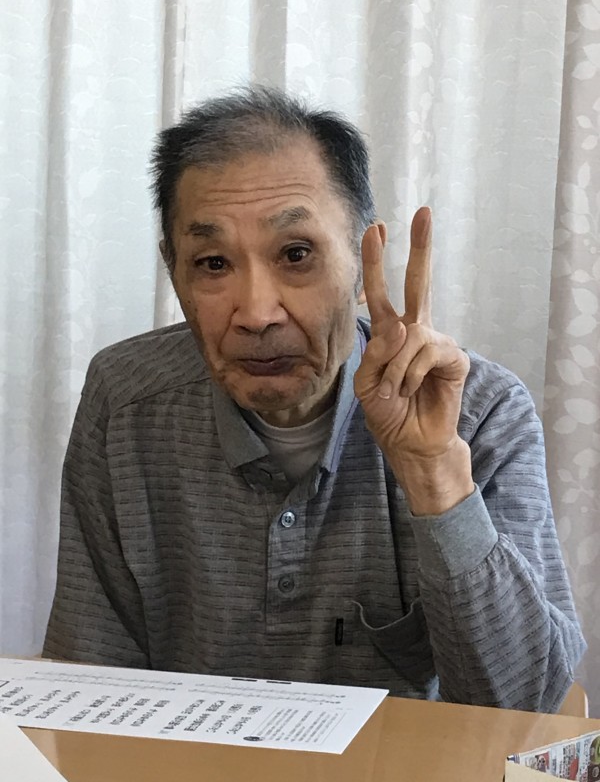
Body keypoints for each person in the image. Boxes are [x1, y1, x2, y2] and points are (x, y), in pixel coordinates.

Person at [43, 86, 585, 712]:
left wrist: (435, 478)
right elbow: (89, 681)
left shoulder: (478, 411)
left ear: (362, 260)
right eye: (213, 263)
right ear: (174, 271)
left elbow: (524, 710)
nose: (256, 313)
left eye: (296, 254)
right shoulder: (125, 401)